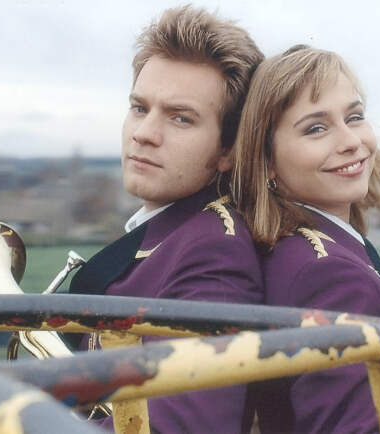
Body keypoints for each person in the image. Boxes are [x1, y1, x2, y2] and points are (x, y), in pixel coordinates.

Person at [68, 6, 264, 433]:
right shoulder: (172, 234)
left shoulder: (215, 254)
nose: (144, 133)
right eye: (140, 108)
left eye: (180, 118)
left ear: (228, 150)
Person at [231, 45, 380, 433]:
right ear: (267, 161)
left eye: (354, 117)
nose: (350, 141)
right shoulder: (330, 277)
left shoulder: (295, 251)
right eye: (316, 128)